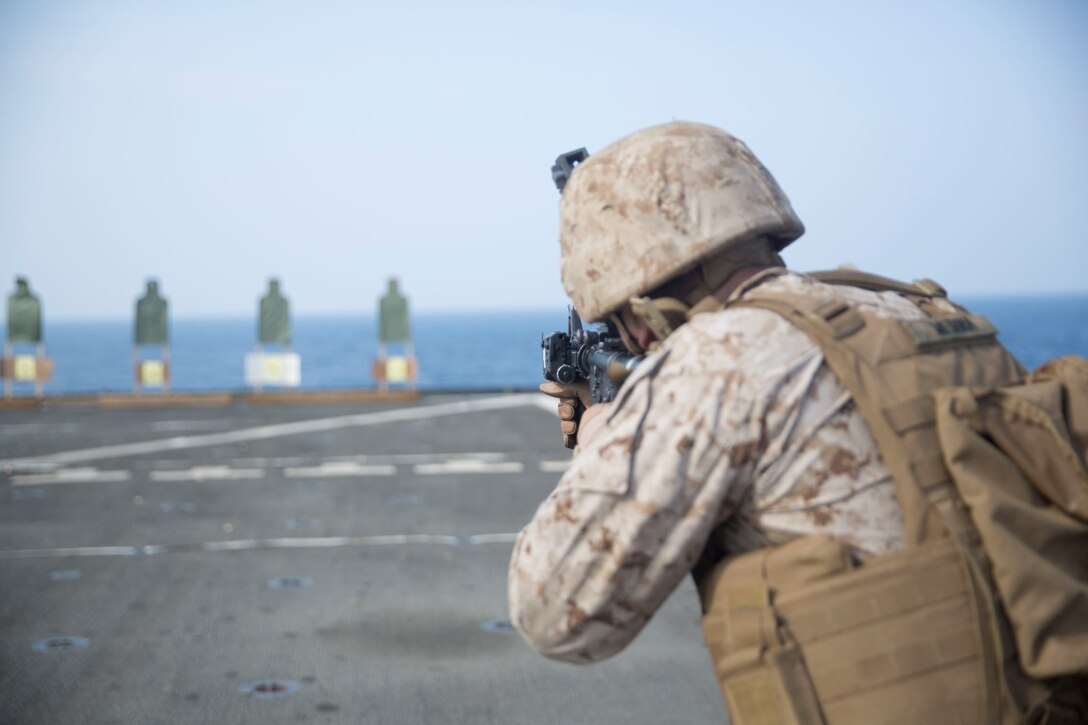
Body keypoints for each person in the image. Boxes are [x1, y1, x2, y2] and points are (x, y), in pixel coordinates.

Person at [508, 121, 1086, 723]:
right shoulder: (931, 314)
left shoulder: (716, 361)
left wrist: (601, 442)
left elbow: (554, 614)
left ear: (634, 303)